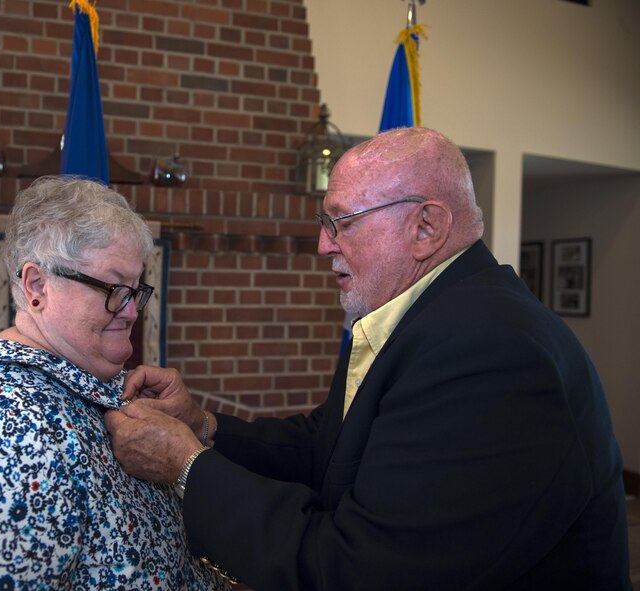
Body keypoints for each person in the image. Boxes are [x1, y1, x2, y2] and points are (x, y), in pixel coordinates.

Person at [105, 128, 631, 590]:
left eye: (342, 222)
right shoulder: (429, 317)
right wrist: (204, 424)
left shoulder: (489, 349)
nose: (322, 245)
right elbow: (331, 447)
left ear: (426, 228)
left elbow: (362, 569)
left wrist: (186, 467)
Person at [0, 177, 228, 590]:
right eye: (112, 289)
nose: (130, 311)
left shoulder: (83, 386)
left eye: (135, 290)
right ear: (36, 287)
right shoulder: (5, 432)